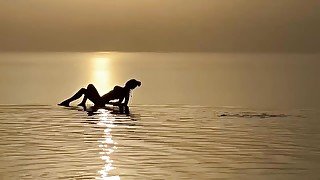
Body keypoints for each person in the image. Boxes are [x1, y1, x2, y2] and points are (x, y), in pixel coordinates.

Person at [58, 79, 141, 108]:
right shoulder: (124, 91)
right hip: (100, 100)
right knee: (86, 89)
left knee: (88, 87)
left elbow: (124, 104)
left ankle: (71, 102)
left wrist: (109, 103)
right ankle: (80, 102)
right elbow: (121, 103)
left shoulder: (125, 93)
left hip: (100, 101)